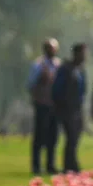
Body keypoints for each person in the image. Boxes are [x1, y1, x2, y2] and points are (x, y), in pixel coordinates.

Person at [52, 43, 87, 173]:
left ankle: (71, 164)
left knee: (75, 137)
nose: (85, 57)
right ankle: (70, 165)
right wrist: (61, 105)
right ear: (76, 54)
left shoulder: (80, 70)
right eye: (83, 54)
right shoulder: (65, 69)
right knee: (71, 136)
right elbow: (57, 89)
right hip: (66, 109)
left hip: (77, 108)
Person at [27, 38, 61, 175]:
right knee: (39, 136)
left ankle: (50, 165)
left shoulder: (58, 65)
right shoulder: (38, 65)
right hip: (42, 105)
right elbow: (30, 84)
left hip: (55, 106)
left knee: (53, 136)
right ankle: (36, 166)